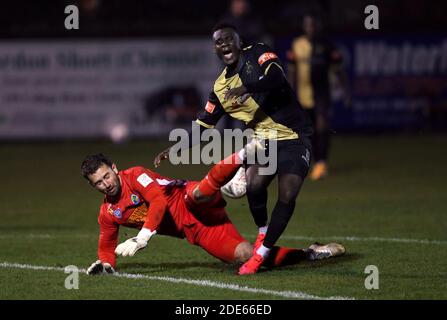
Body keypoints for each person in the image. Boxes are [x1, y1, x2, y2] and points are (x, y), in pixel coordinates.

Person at [154, 23, 316, 275]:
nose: (225, 44)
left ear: (239, 42)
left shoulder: (258, 53)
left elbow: (277, 78)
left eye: (229, 39)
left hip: (295, 135)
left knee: (287, 194)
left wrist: (247, 87)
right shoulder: (220, 89)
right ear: (215, 49)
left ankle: (260, 254)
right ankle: (263, 234)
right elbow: (202, 126)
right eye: (219, 41)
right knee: (254, 186)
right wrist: (176, 148)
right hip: (267, 141)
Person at [82, 149, 345, 275]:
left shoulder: (135, 175)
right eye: (99, 183)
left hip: (186, 200)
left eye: (107, 176)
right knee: (246, 256)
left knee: (199, 193)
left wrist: (142, 238)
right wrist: (105, 265)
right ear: (93, 186)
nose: (106, 183)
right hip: (197, 230)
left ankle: (243, 156)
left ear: (114, 168)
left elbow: (159, 202)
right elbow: (107, 245)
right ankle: (309, 252)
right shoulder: (108, 212)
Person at [287, 14, 350, 180]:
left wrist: (346, 91)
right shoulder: (297, 44)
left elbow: (338, 70)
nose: (311, 28)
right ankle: (311, 162)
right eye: (308, 25)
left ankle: (321, 163)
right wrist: (288, 94)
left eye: (313, 25)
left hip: (322, 93)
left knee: (322, 126)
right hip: (303, 94)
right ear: (304, 26)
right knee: (308, 131)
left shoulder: (327, 45)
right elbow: (292, 72)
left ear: (318, 26)